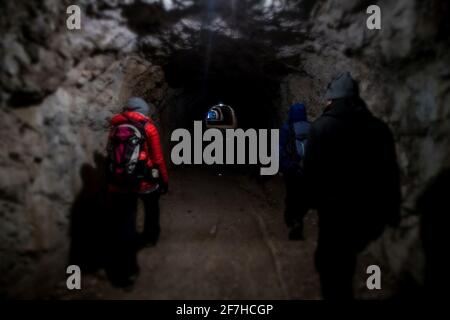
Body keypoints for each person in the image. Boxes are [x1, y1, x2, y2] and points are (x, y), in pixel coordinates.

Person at [303, 72, 401, 299]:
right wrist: (392, 211)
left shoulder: (320, 127)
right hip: (368, 211)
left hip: (334, 210)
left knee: (332, 267)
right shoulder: (379, 129)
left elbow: (311, 171)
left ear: (333, 99)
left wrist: (310, 201)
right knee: (348, 256)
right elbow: (390, 172)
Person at [105, 97, 169, 287]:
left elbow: (111, 154)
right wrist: (164, 180)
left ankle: (126, 270)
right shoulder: (147, 127)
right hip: (143, 180)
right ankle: (150, 236)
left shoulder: (115, 126)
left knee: (125, 224)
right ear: (142, 111)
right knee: (152, 204)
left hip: (119, 183)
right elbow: (157, 158)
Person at [279, 102, 310, 240]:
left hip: (290, 168)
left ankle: (292, 219)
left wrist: (281, 166)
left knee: (292, 194)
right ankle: (298, 219)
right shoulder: (311, 127)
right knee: (302, 196)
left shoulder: (287, 128)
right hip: (306, 168)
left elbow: (280, 149)